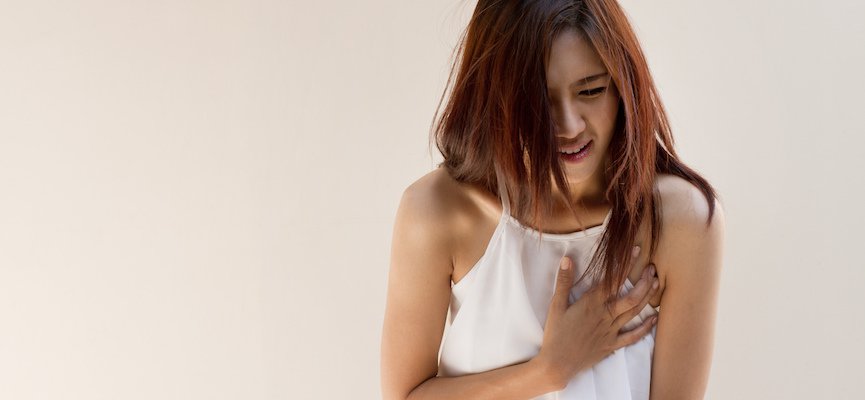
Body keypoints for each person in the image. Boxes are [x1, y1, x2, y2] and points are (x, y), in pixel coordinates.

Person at [380, 1, 725, 399]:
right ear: (494, 96)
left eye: (591, 90)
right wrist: (549, 371)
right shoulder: (437, 211)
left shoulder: (681, 222)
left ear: (623, 85)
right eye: (538, 102)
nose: (569, 126)